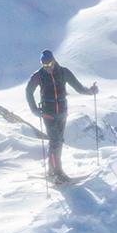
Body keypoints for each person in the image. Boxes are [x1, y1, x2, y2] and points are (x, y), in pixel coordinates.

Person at [25, 50, 97, 183]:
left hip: (62, 113)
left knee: (58, 142)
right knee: (55, 142)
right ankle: (58, 173)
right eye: (45, 65)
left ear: (54, 60)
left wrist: (90, 91)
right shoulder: (38, 75)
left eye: (50, 64)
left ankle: (52, 169)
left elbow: (79, 88)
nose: (48, 68)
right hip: (48, 114)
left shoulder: (64, 72)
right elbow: (28, 91)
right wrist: (34, 110)